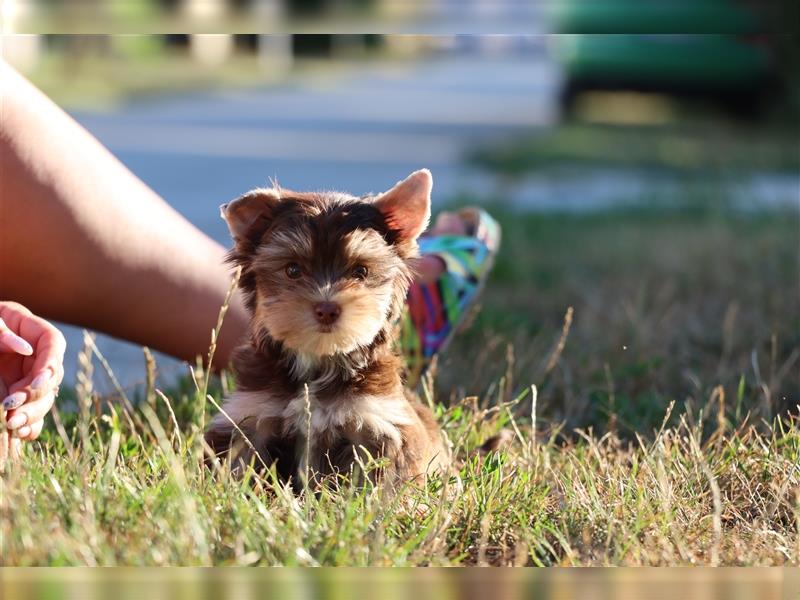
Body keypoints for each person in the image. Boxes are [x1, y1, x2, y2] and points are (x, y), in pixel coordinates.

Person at [0, 61, 499, 461]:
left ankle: (402, 318)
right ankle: (411, 317)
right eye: (295, 272)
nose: (326, 298)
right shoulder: (257, 396)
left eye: (360, 273)